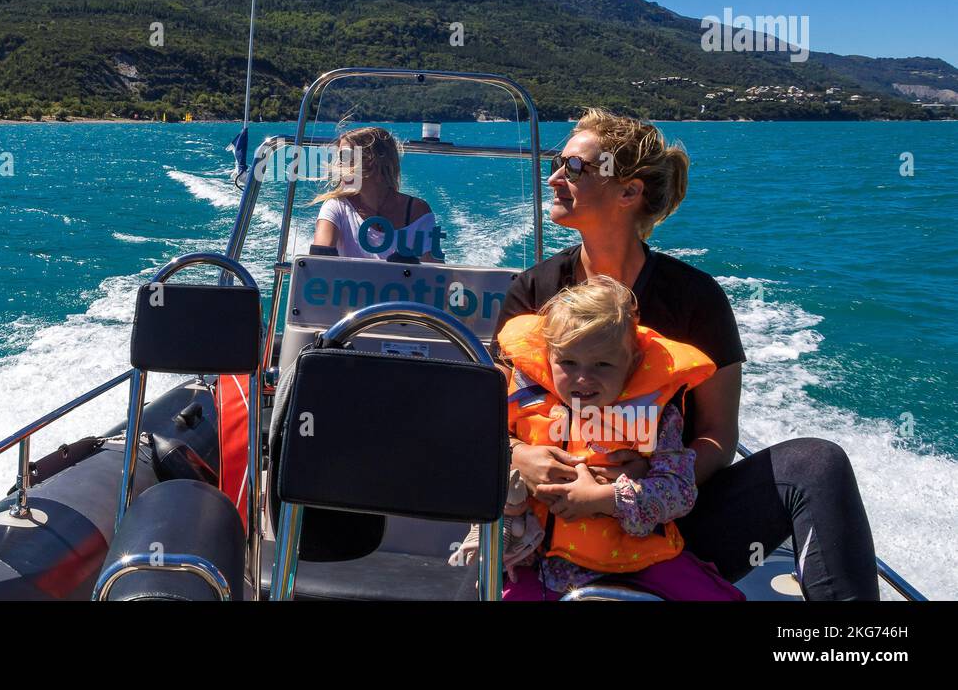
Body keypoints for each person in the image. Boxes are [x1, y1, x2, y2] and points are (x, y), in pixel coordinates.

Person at [492, 108, 878, 600]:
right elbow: (487, 413)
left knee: (817, 464)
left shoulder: (695, 299)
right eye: (556, 163)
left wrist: (638, 492)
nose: (553, 178)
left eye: (575, 167)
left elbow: (717, 435)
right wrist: (518, 456)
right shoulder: (533, 292)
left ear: (629, 192)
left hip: (672, 532)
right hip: (545, 530)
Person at [453, 276, 743, 600]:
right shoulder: (524, 399)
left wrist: (604, 499)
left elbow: (679, 490)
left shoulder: (656, 414)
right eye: (568, 362)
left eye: (602, 364)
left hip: (637, 559)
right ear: (549, 357)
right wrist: (516, 453)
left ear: (631, 363)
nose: (582, 378)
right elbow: (474, 449)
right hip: (535, 559)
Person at [311, 126, 441, 262]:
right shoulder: (337, 207)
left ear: (371, 160)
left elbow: (436, 273)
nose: (338, 164)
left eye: (345, 156)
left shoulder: (417, 211)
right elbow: (318, 260)